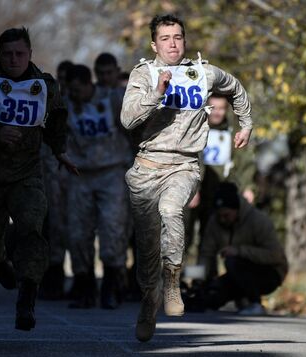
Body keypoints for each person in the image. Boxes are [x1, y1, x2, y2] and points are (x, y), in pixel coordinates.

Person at [120, 14, 253, 342]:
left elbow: (235, 88)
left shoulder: (203, 73)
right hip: (147, 167)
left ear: (185, 40)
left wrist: (247, 123)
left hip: (185, 165)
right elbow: (127, 119)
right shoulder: (144, 73)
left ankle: (173, 281)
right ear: (154, 44)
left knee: (171, 211)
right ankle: (148, 304)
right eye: (165, 38)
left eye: (178, 37)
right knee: (147, 247)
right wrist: (158, 91)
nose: (173, 43)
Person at [0, 27, 76, 331]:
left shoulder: (45, 85)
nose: (14, 59)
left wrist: (59, 151)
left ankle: (27, 300)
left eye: (20, 53)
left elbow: (57, 118)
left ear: (30, 54)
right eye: (7, 54)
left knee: (32, 229)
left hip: (27, 174)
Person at [65, 64, 132, 310]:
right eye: (70, 89)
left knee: (112, 228)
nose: (74, 94)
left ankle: (111, 287)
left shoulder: (112, 99)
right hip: (80, 174)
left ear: (88, 84)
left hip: (111, 171)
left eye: (77, 89)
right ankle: (84, 287)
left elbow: (135, 125)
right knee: (78, 232)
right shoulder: (66, 104)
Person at [193, 182, 288, 315]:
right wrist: (198, 280)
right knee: (209, 296)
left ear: (236, 210)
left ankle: (254, 303)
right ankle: (240, 299)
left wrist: (239, 251)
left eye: (226, 215)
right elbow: (206, 254)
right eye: (219, 215)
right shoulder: (214, 222)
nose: (222, 219)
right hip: (236, 275)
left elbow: (275, 255)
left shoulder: (258, 220)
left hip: (269, 273)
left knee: (232, 260)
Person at [185, 93, 257, 257]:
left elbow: (243, 161)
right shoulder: (194, 129)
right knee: (183, 238)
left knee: (210, 242)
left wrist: (248, 187)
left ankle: (205, 279)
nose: (217, 112)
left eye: (222, 109)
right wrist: (191, 187)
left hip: (218, 194)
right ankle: (175, 279)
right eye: (213, 108)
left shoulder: (232, 133)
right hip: (194, 191)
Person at [38, 59, 74, 301]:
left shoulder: (78, 105)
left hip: (73, 174)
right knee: (49, 226)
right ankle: (50, 277)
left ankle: (76, 277)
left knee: (70, 228)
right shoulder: (47, 106)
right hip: (48, 173)